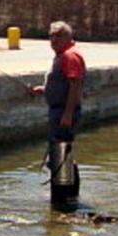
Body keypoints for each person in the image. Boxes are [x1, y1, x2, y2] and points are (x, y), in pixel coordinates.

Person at [31, 21, 87, 209]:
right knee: (62, 154)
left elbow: (75, 85)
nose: (54, 39)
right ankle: (68, 198)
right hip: (58, 111)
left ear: (68, 37)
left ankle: (63, 201)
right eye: (51, 35)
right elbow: (63, 83)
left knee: (61, 155)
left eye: (59, 35)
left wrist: (68, 114)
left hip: (63, 112)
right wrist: (45, 90)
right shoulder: (62, 56)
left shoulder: (70, 56)